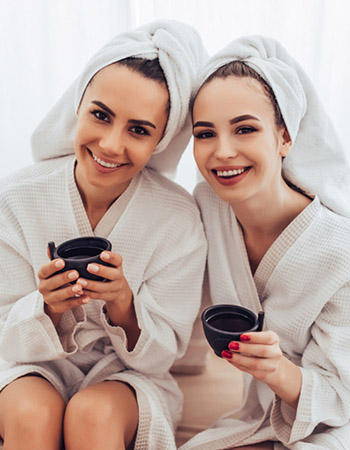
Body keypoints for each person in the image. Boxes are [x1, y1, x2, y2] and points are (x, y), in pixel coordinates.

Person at [0, 20, 207, 450]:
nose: (111, 145)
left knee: (92, 414)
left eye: (139, 129)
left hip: (127, 380)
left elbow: (163, 354)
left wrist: (123, 304)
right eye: (101, 115)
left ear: (161, 141)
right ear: (77, 107)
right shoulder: (16, 198)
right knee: (32, 411)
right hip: (26, 366)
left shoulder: (178, 219)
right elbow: (4, 334)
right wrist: (48, 307)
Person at [180, 36, 350, 450]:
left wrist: (275, 370)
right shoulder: (208, 207)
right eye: (205, 133)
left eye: (244, 128)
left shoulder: (339, 250)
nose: (222, 151)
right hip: (256, 419)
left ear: (285, 138)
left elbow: (342, 399)